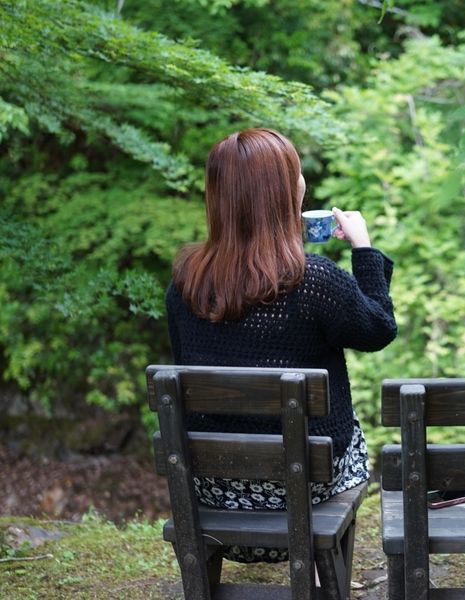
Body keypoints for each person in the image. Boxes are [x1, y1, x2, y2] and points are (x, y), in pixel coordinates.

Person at [165, 128, 397, 562]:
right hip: (304, 491)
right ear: (284, 193)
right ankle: (318, 573)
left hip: (215, 488)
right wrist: (364, 248)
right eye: (297, 174)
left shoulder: (185, 285)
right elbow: (379, 328)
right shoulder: (315, 281)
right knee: (350, 442)